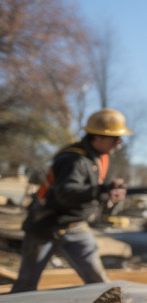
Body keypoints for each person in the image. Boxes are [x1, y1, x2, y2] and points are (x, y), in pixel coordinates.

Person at [11, 109, 130, 293]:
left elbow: (88, 191)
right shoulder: (73, 159)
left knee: (98, 281)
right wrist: (101, 191)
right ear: (97, 137)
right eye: (115, 138)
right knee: (26, 284)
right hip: (46, 225)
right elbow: (66, 194)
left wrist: (108, 192)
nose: (119, 143)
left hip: (76, 225)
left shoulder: (99, 158)